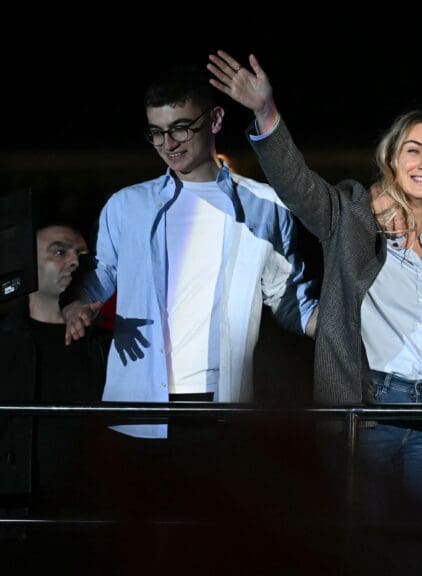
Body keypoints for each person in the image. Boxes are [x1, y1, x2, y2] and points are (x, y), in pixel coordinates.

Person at [207, 50, 422, 575]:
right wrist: (265, 111)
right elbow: (297, 184)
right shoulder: (352, 215)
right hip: (368, 413)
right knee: (361, 554)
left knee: (415, 558)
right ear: (392, 158)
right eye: (414, 150)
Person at [61, 65, 317, 437]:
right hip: (139, 407)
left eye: (180, 127)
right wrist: (76, 305)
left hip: (224, 407)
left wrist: (336, 325)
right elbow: (100, 276)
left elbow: (290, 298)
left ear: (214, 119)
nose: (169, 143)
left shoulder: (264, 204)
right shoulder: (126, 205)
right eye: (157, 132)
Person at [0, 223, 106, 571]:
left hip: (89, 527)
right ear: (27, 263)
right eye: (59, 251)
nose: (74, 261)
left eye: (81, 255)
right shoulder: (5, 342)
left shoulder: (102, 345)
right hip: (15, 525)